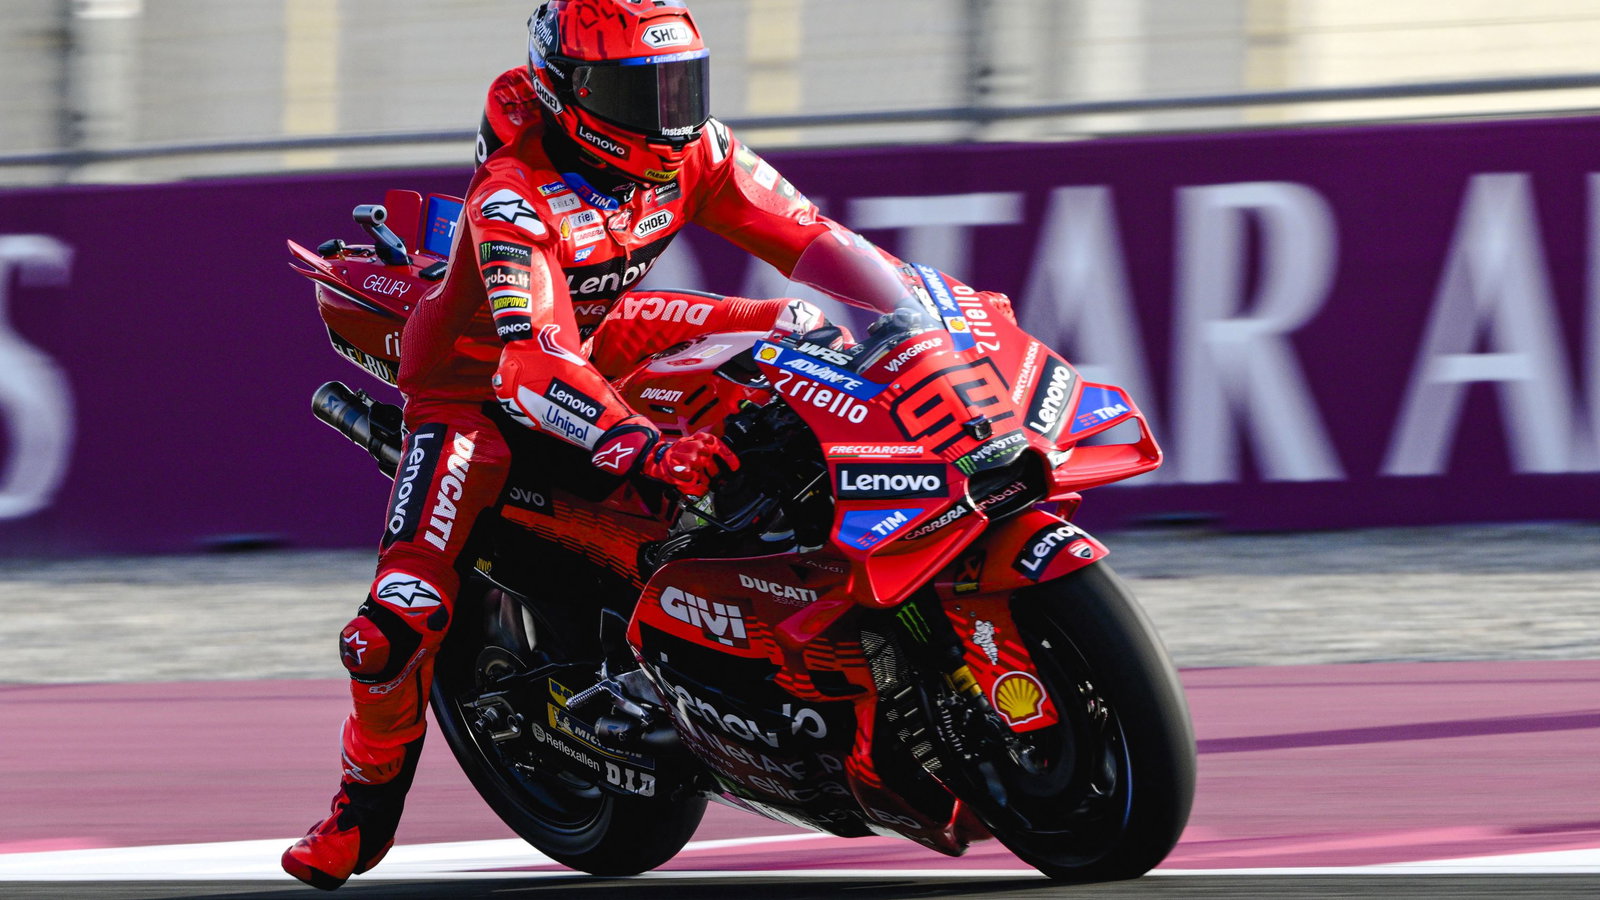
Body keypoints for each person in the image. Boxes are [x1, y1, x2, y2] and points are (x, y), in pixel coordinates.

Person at [282, 0, 1010, 889]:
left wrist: (916, 312)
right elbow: (531, 362)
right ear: (569, 92)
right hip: (475, 390)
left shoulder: (696, 148)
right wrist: (642, 444)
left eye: (681, 86)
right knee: (394, 623)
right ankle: (360, 812)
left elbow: (812, 238)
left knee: (800, 329)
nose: (669, 116)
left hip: (601, 330)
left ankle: (809, 546)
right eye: (640, 93)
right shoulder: (513, 197)